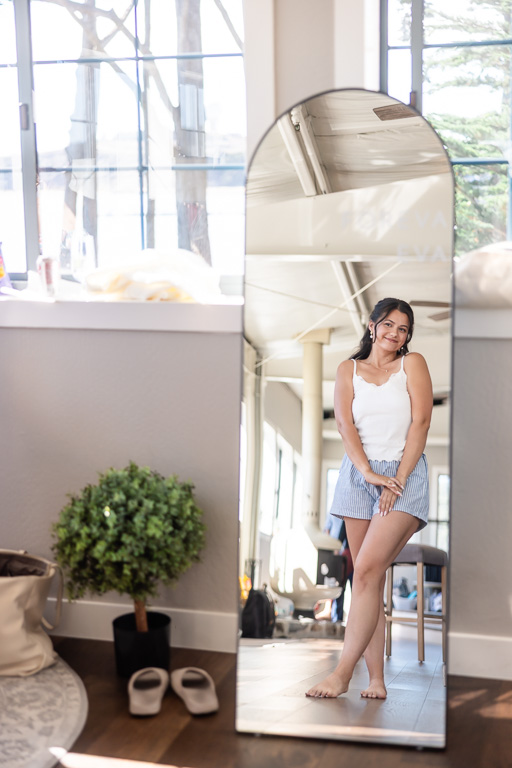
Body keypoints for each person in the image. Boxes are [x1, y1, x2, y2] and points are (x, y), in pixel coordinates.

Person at [306, 297, 432, 701]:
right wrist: (366, 473)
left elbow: (421, 421)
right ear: (372, 325)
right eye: (389, 325)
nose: (396, 334)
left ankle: (342, 673)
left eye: (404, 329)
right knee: (367, 580)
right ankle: (375, 679)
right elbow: (344, 424)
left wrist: (394, 477)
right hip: (359, 476)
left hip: (402, 475)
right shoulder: (348, 369)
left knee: (365, 572)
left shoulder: (412, 365)